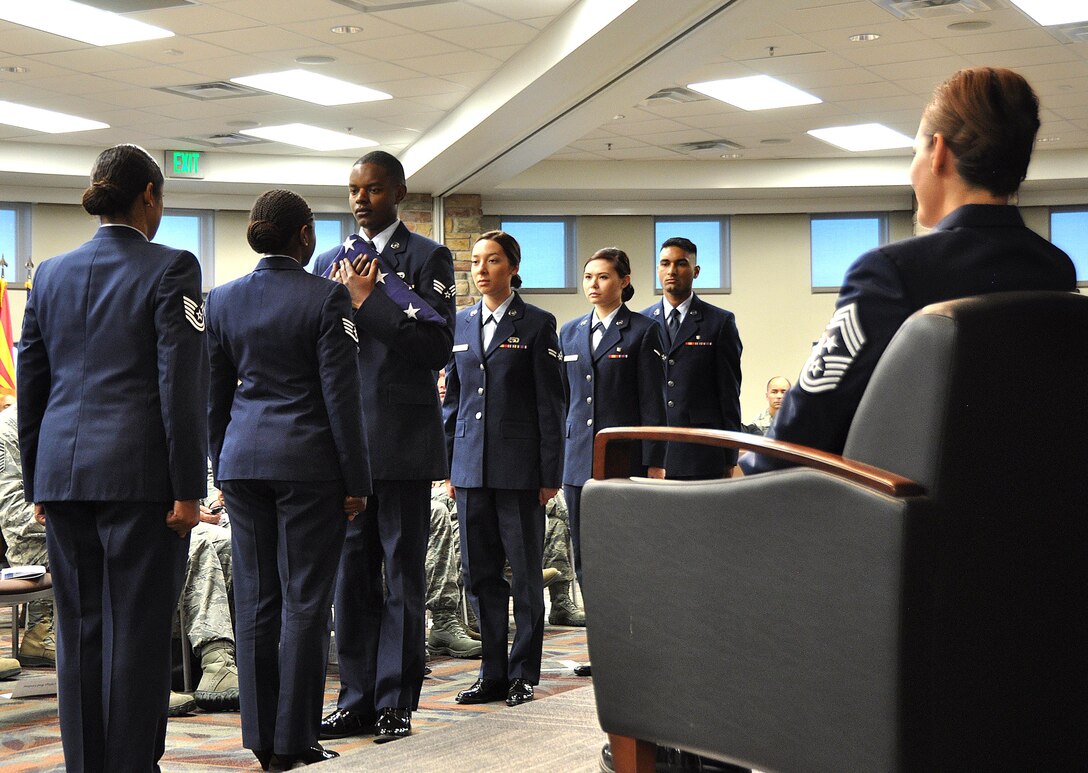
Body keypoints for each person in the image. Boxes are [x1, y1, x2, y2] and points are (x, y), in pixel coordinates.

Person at [741, 66, 1076, 476]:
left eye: (914, 151)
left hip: (908, 525)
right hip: (1042, 516)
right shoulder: (1056, 269)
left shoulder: (890, 273)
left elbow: (804, 427)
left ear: (938, 152)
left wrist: (750, 465)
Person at [16, 143, 208, 772]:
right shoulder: (172, 267)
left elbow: (33, 381)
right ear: (149, 195)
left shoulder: (49, 273)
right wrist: (188, 486)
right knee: (136, 630)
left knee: (79, 631)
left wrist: (37, 482)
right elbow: (178, 386)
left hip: (65, 480)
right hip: (140, 481)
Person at [206, 189, 371, 768]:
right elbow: (341, 398)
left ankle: (261, 740)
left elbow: (214, 396)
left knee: (254, 601)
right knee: (305, 602)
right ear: (304, 235)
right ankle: (295, 739)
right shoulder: (329, 298)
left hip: (243, 461)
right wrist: (358, 479)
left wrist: (219, 465)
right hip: (308, 466)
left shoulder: (220, 299)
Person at [314, 151, 456, 743]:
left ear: (398, 192)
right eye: (353, 190)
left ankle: (396, 699)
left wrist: (369, 303)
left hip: (400, 441)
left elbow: (438, 346)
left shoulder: (427, 258)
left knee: (400, 575)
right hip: (344, 448)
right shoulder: (327, 261)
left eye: (372, 189)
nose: (360, 200)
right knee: (351, 578)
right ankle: (356, 696)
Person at [442, 230, 565, 707]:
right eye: (475, 261)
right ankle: (491, 671)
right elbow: (452, 401)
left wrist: (549, 473)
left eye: (492, 261)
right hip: (471, 470)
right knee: (480, 574)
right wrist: (450, 464)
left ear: (512, 267)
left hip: (520, 471)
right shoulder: (460, 323)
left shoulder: (536, 323)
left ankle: (522, 673)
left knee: (526, 576)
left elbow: (551, 404)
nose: (481, 269)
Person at [560, 247, 667, 677]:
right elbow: (561, 403)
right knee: (586, 561)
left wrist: (654, 463)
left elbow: (653, 404)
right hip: (576, 463)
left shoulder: (644, 331)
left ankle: (632, 647)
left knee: (624, 558)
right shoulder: (568, 333)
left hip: (624, 463)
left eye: (603, 277)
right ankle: (600, 651)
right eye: (588, 276)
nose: (593, 284)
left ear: (623, 281)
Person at [642, 237, 742, 479]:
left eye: (681, 264)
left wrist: (730, 456)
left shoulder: (719, 322)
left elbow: (728, 394)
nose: (672, 271)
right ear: (658, 270)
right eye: (665, 264)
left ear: (696, 271)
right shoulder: (642, 324)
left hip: (702, 452)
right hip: (654, 453)